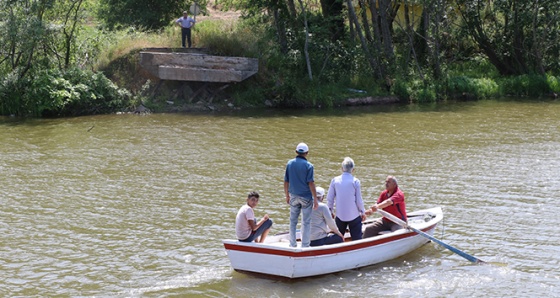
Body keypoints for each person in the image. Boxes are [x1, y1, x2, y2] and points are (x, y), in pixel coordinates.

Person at [284, 142, 319, 248]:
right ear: (307, 153)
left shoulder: (289, 164)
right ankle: (305, 245)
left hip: (293, 196)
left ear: (296, 152)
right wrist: (316, 199)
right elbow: (311, 183)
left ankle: (292, 244)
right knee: (306, 222)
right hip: (306, 197)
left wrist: (287, 195)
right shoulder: (309, 166)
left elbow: (286, 181)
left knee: (293, 221)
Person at [326, 157, 366, 241]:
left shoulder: (335, 180)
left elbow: (330, 199)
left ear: (342, 169)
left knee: (338, 237)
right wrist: (363, 212)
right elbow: (359, 200)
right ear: (353, 170)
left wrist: (330, 211)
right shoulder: (355, 181)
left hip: (340, 216)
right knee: (357, 239)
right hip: (354, 216)